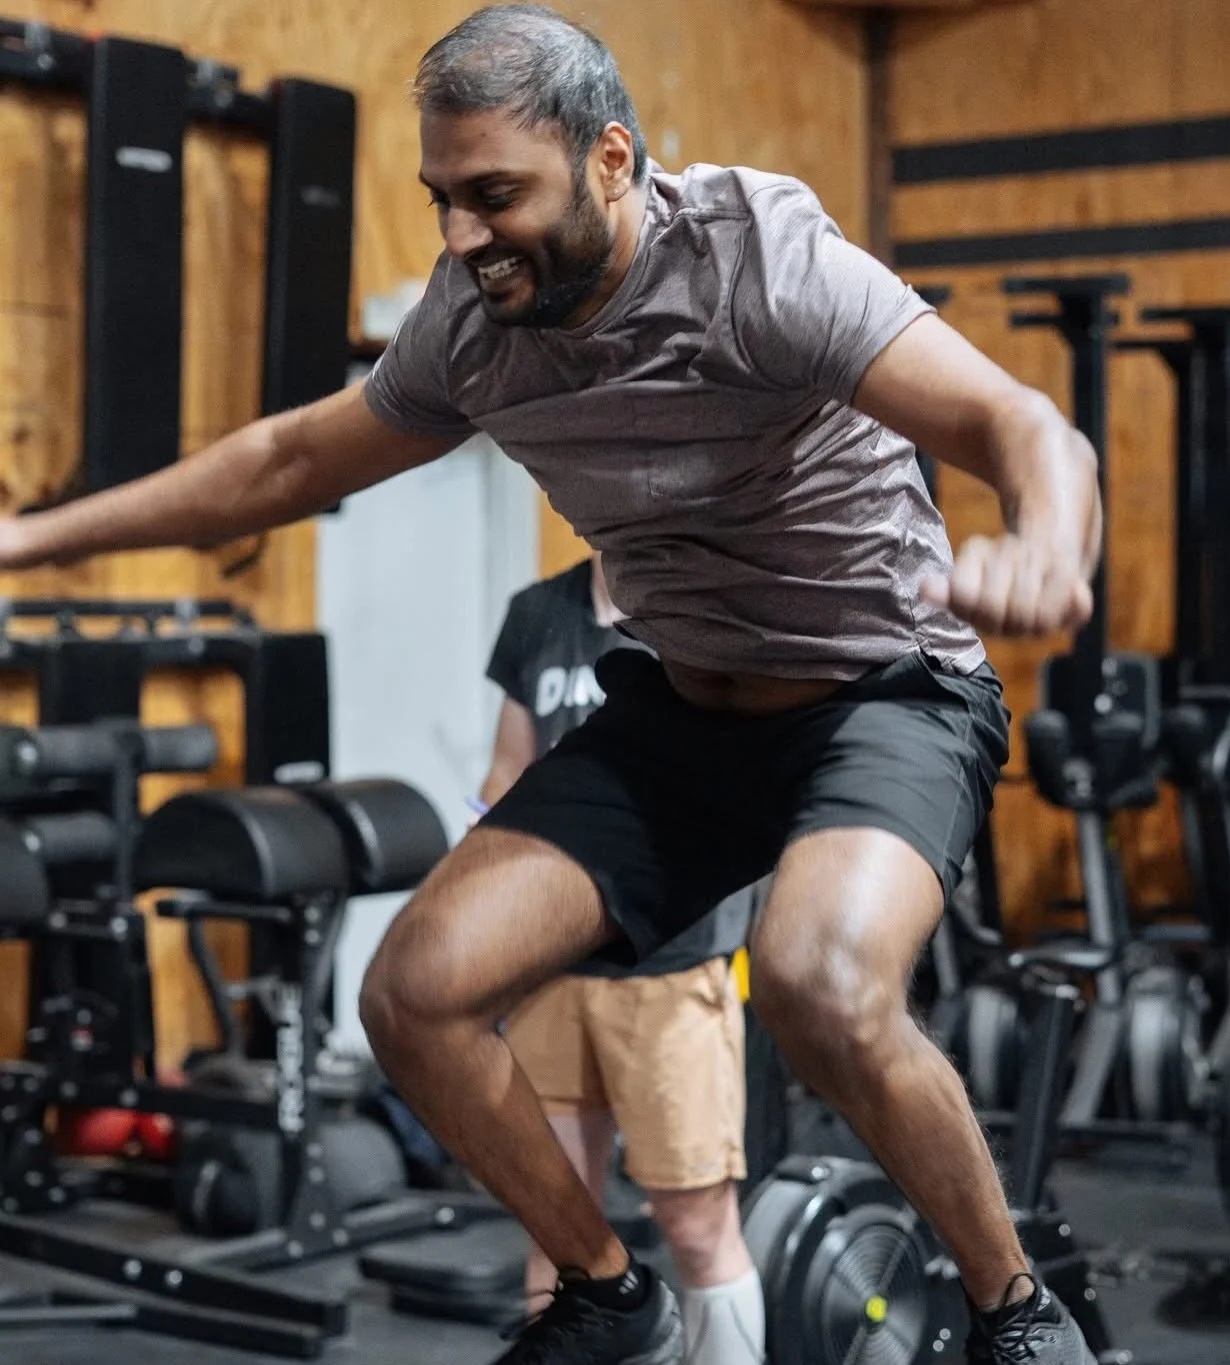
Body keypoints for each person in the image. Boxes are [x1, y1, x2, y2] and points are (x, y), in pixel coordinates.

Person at [0, 6, 1103, 1362]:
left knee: (819, 983)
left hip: (879, 689)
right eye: (443, 200)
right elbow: (283, 462)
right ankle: (600, 1291)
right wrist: (24, 538)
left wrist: (1047, 543)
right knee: (413, 990)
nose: (461, 238)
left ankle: (1014, 1310)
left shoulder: (759, 257)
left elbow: (1018, 423)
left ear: (611, 161)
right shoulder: (472, 328)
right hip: (680, 708)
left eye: (495, 196)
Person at [481, 550, 763, 1364]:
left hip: (669, 966)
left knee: (697, 1226)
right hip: (549, 967)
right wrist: (484, 900)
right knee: (559, 1227)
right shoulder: (538, 611)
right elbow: (507, 771)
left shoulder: (705, 602)